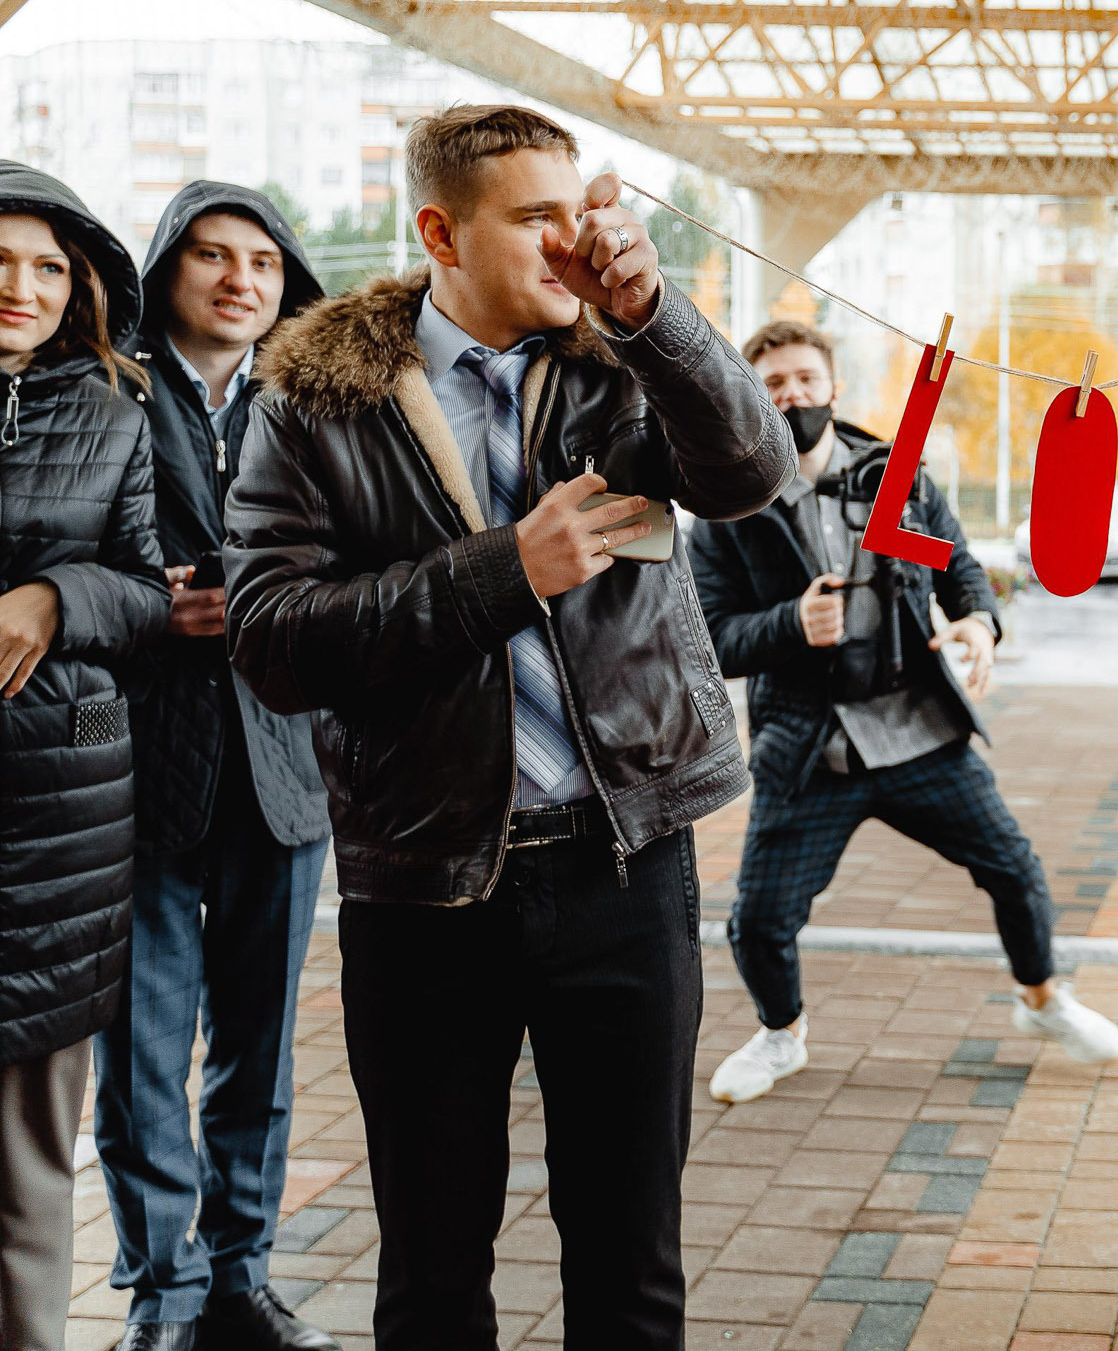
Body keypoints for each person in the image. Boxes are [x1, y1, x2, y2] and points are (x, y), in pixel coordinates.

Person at [222, 105, 795, 1350]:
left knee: (630, 1262)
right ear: (440, 231)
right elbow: (271, 638)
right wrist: (502, 572)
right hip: (423, 890)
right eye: (536, 218)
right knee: (431, 1272)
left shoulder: (617, 368)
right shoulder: (312, 403)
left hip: (625, 869)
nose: (570, 240)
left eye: (579, 210)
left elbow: (753, 472)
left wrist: (657, 320)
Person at [689, 321, 1118, 1104]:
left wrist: (979, 624)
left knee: (1016, 870)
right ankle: (780, 1034)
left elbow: (958, 566)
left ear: (832, 387)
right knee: (759, 919)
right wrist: (791, 624)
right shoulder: (726, 505)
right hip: (810, 748)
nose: (792, 395)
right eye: (775, 383)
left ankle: (1041, 1000)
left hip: (918, 731)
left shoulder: (895, 475)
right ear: (752, 396)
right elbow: (709, 637)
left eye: (805, 379)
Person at [93, 184, 334, 1351]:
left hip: (284, 769)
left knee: (261, 1047)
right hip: (134, 774)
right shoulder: (99, 389)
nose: (242, 279)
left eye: (264, 262)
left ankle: (241, 1278)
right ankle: (163, 1295)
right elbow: (53, 549)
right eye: (212, 256)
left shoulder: (322, 403)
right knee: (141, 1056)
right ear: (164, 269)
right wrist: (153, 611)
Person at [0, 163, 171, 1351]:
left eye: (50, 267)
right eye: (1, 262)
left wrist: (55, 598)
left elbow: (155, 594)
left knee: (24, 1171)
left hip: (52, 834)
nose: (25, 286)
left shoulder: (117, 408)